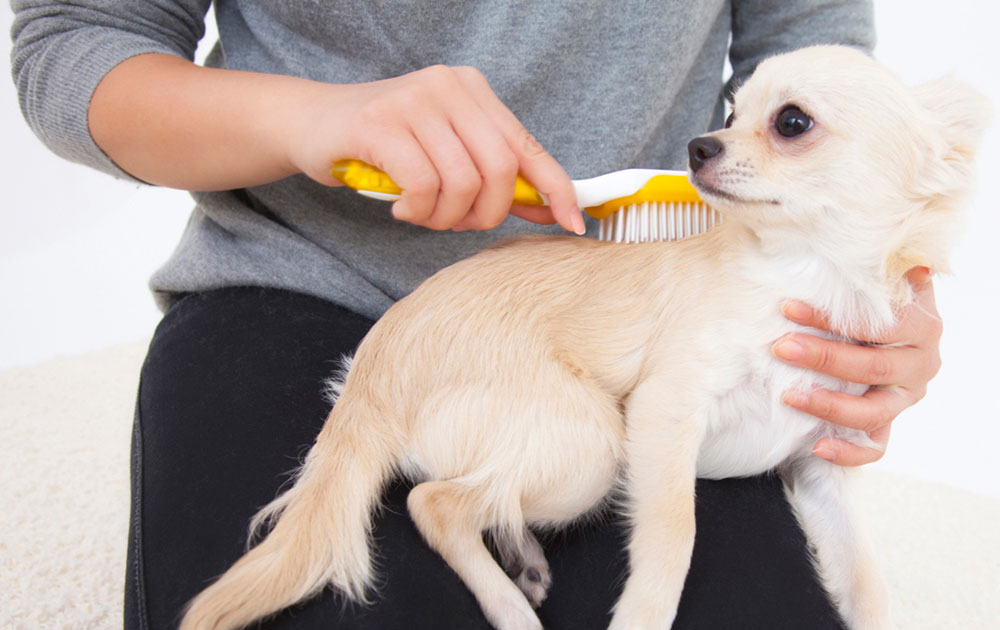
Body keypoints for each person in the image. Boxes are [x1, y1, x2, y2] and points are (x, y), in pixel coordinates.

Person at [11, 1, 943, 628]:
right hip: (298, 286)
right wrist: (311, 120)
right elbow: (76, 41)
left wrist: (882, 288)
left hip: (640, 316)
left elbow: (822, 76)